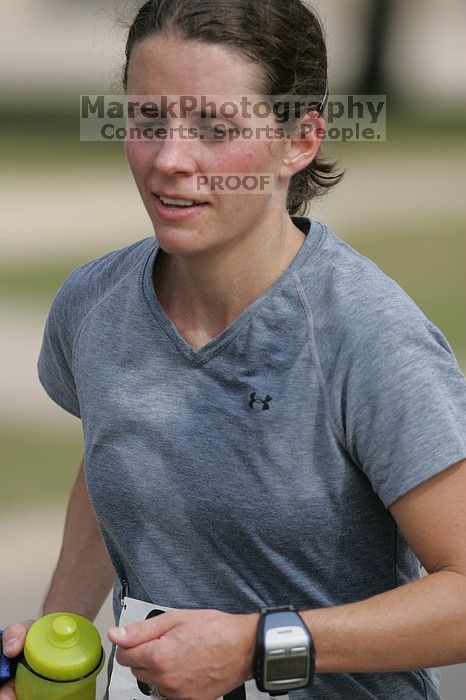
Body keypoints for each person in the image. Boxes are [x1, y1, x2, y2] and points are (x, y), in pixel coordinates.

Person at [2, 1, 466, 699]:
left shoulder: (366, 337)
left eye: (216, 128)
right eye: (147, 121)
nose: (169, 161)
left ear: (300, 140)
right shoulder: (93, 305)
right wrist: (52, 649)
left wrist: (259, 647)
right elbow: (115, 464)